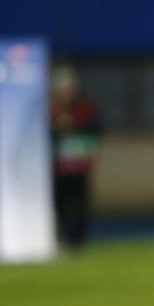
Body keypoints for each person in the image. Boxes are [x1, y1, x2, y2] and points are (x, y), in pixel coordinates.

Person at [50, 65, 100, 249]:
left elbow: (96, 130)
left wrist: (75, 128)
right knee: (60, 203)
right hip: (58, 166)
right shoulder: (51, 110)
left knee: (80, 202)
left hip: (79, 165)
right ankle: (63, 237)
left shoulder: (85, 107)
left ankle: (79, 239)